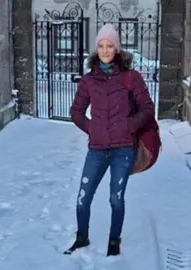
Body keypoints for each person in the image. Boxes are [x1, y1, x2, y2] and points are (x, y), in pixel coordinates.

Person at [65, 24, 155, 256]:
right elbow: (76, 112)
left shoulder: (131, 78)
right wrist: (92, 128)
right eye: (101, 46)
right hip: (97, 148)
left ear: (117, 49)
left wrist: (127, 126)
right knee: (83, 197)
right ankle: (81, 237)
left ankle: (114, 240)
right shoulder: (88, 81)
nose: (105, 50)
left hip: (123, 149)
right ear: (96, 50)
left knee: (116, 198)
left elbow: (147, 109)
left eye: (110, 46)